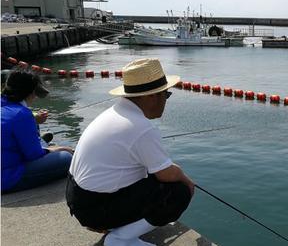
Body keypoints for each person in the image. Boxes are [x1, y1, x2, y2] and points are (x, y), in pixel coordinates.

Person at [66, 58, 195, 246]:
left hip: (79, 198)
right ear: (151, 96)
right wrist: (188, 183)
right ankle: (120, 239)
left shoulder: (115, 113)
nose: (165, 101)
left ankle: (116, 227)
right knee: (179, 192)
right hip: (95, 209)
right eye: (165, 95)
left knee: (153, 179)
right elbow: (167, 174)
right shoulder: (140, 127)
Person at [1, 68, 74, 193]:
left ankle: (42, 142)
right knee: (67, 158)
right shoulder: (22, 114)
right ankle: (43, 143)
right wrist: (59, 149)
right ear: (30, 93)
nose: (35, 98)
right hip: (7, 176)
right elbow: (33, 155)